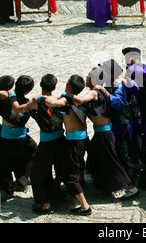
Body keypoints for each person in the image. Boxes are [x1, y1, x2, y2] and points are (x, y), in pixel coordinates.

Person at [69, 67, 140, 200]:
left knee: (113, 162)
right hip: (100, 133)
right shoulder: (97, 91)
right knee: (95, 157)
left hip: (105, 134)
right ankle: (103, 183)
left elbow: (80, 101)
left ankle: (132, 188)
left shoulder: (94, 92)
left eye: (89, 76)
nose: (86, 77)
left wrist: (63, 95)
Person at [0, 75, 38, 207]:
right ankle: (24, 179)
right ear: (29, 90)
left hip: (5, 138)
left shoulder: (6, 98)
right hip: (22, 140)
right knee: (33, 152)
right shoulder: (29, 104)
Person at [43, 74, 93, 215]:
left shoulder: (66, 100)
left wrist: (40, 98)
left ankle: (84, 206)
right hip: (84, 138)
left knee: (69, 176)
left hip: (73, 141)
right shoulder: (80, 99)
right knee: (79, 163)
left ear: (69, 86)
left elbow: (52, 104)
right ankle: (82, 182)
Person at [29, 74, 65, 214]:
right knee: (58, 168)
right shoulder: (58, 100)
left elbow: (25, 109)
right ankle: (56, 191)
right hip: (60, 140)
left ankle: (44, 203)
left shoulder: (37, 101)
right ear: (54, 87)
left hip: (47, 142)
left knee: (38, 173)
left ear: (41, 85)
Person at [122, 47, 146, 165]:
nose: (126, 62)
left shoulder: (141, 69)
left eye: (129, 59)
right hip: (142, 107)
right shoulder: (135, 68)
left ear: (136, 58)